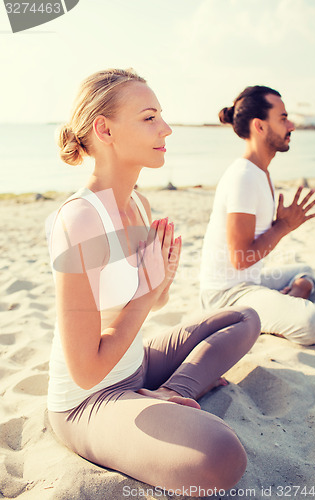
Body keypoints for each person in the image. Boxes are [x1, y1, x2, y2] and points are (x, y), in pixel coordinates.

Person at [46, 68, 261, 494]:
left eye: (161, 116)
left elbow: (149, 305)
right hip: (88, 401)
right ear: (104, 129)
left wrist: (160, 284)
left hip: (134, 365)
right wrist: (146, 295)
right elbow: (86, 370)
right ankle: (164, 393)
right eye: (149, 117)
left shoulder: (139, 204)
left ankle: (167, 390)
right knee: (221, 457)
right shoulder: (80, 220)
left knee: (244, 317)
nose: (166, 128)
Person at [200, 85, 315, 346]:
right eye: (282, 118)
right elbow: (240, 258)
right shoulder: (244, 177)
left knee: (304, 271)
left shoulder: (261, 172)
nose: (291, 124)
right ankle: (271, 311)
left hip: (251, 281)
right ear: (259, 126)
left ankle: (289, 298)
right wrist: (282, 226)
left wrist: (277, 225)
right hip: (226, 296)